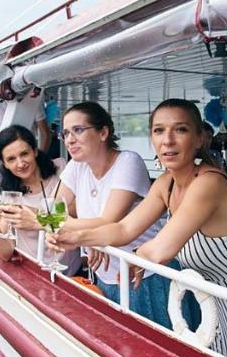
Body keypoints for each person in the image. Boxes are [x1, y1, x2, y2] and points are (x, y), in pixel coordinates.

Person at [54, 99, 227, 357]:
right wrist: (74, 237)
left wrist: (135, 253)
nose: (168, 140)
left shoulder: (209, 184)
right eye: (159, 131)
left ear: (200, 138)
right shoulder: (166, 184)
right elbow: (122, 229)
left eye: (181, 130)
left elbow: (161, 249)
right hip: (215, 314)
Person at [47, 101, 176, 328]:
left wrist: (71, 228)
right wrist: (70, 230)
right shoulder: (77, 165)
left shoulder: (128, 161)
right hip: (106, 273)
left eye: (78, 130)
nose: (69, 140)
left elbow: (108, 221)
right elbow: (52, 211)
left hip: (142, 275)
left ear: (103, 132)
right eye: (65, 133)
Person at [0, 125, 81, 273]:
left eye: (24, 154)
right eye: (11, 159)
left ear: (34, 151)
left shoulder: (62, 169)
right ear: (5, 164)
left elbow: (78, 211)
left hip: (73, 270)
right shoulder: (7, 195)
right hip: (37, 273)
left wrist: (31, 214)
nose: (20, 163)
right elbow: (5, 254)